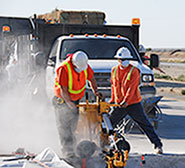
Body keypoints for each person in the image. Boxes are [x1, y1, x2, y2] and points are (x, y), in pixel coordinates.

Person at [109, 47, 163, 154]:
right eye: (122, 59)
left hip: (133, 104)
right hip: (119, 105)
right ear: (118, 60)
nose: (124, 61)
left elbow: (132, 88)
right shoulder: (114, 70)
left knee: (145, 124)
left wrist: (126, 101)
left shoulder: (134, 71)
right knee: (108, 125)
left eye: (126, 59)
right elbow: (114, 86)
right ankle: (103, 145)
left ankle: (158, 145)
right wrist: (113, 100)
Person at [53, 50, 101, 159]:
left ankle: (73, 148)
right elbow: (63, 89)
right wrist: (68, 102)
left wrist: (96, 91)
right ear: (74, 64)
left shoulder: (84, 65)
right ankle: (68, 152)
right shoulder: (63, 68)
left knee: (73, 125)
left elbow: (92, 79)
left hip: (75, 100)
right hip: (62, 100)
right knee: (64, 126)